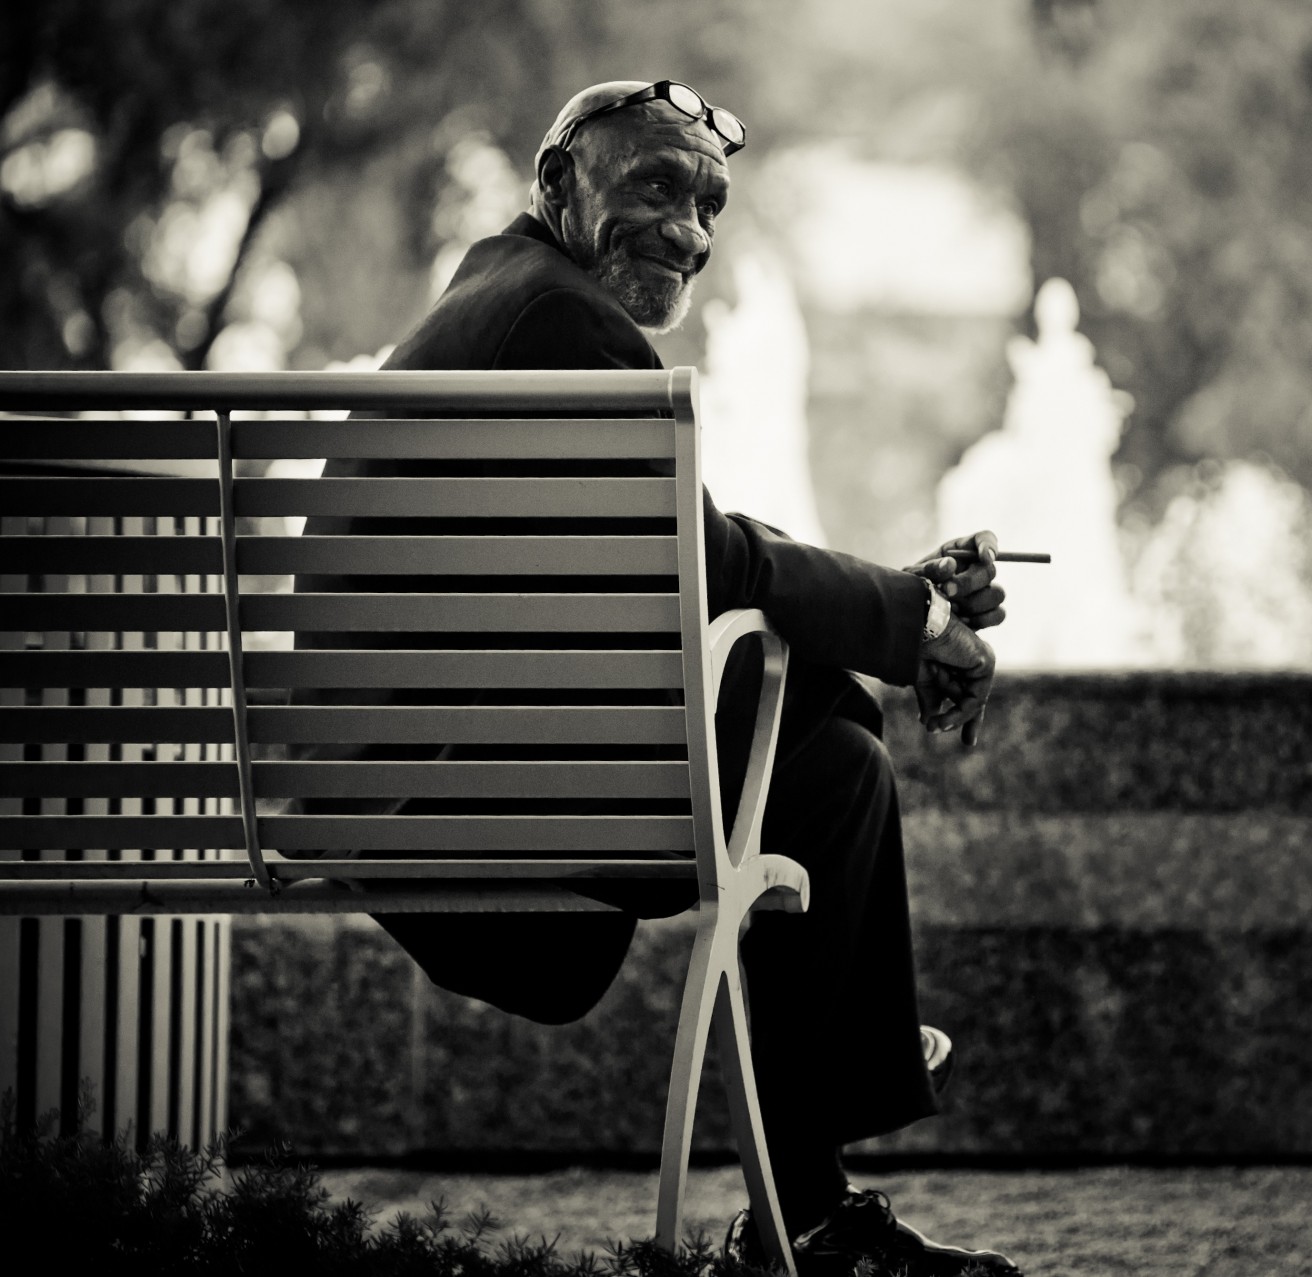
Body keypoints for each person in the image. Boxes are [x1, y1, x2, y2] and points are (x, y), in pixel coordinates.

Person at [326, 80, 1024, 1276]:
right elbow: (702, 559)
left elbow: (680, 555)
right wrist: (907, 623)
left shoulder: (501, 305)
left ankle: (817, 1159)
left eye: (709, 203)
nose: (691, 231)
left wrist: (894, 610)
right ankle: (816, 1170)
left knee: (822, 758)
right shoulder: (555, 324)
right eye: (654, 186)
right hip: (449, 827)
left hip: (416, 801)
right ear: (556, 187)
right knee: (832, 768)